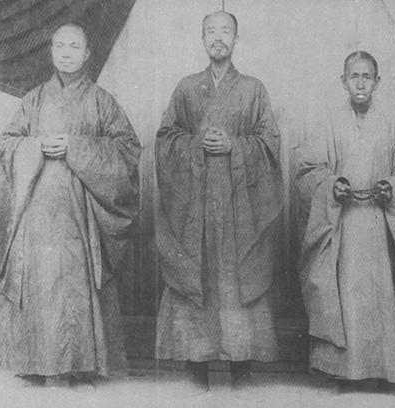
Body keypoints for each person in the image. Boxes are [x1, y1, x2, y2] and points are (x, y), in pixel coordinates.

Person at [0, 23, 141, 387]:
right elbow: (7, 142)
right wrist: (35, 147)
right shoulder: (33, 99)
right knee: (40, 284)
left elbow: (127, 149)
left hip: (81, 213)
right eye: (59, 45)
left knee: (75, 287)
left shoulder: (101, 100)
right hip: (38, 213)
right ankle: (35, 363)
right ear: (51, 52)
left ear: (87, 54)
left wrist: (76, 148)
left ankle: (78, 366)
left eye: (74, 46)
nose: (65, 52)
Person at [154, 10, 283, 391]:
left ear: (236, 39)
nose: (218, 38)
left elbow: (269, 142)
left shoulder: (254, 89)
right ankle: (195, 365)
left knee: (237, 274)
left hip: (239, 206)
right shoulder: (186, 88)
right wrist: (196, 144)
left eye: (225, 31)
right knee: (197, 273)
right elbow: (165, 137)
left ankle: (242, 364)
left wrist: (234, 145)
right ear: (202, 39)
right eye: (211, 31)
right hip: (194, 205)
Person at [296, 51, 395, 396]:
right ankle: (346, 373)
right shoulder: (329, 123)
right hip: (343, 224)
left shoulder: (394, 124)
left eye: (367, 76)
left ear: (377, 82)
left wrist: (393, 187)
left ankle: (389, 374)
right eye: (354, 76)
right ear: (343, 81)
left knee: (385, 296)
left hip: (383, 225)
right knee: (346, 296)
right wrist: (332, 186)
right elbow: (307, 172)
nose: (361, 83)